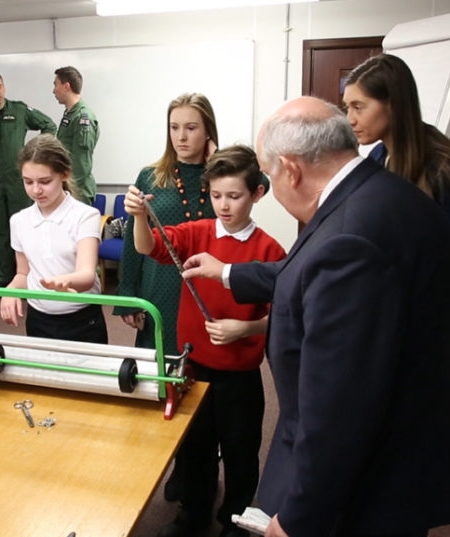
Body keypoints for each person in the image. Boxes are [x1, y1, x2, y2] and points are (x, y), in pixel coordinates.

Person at [182, 96, 450, 537]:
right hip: (405, 441)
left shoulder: (350, 239)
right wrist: (230, 272)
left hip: (366, 484)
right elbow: (310, 271)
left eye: (270, 175)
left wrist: (299, 517)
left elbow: (338, 404)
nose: (273, 186)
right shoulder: (383, 195)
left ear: (291, 170)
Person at [125, 144, 285, 537]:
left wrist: (244, 329)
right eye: (216, 196)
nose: (224, 206)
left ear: (257, 194)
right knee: (195, 449)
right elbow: (148, 247)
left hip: (240, 375)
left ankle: (235, 518)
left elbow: (285, 315)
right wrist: (141, 216)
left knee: (241, 451)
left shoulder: (269, 250)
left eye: (234, 196)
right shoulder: (197, 232)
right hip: (193, 368)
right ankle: (192, 513)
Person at [343, 53, 450, 289]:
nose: (350, 119)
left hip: (422, 315)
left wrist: (392, 282)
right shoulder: (379, 156)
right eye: (347, 108)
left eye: (358, 107)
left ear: (393, 105)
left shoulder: (446, 168)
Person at [114, 93, 220, 357]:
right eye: (174, 127)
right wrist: (128, 295)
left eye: (191, 128)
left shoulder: (224, 176)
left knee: (206, 365)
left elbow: (259, 180)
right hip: (160, 284)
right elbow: (132, 242)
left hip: (209, 285)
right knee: (161, 362)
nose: (181, 137)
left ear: (208, 131)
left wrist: (220, 159)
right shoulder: (151, 176)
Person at [0, 134, 107, 343]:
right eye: (28, 182)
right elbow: (23, 273)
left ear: (64, 174)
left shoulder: (85, 216)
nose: (36, 190)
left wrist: (62, 281)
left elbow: (86, 276)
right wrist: (10, 289)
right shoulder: (19, 221)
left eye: (45, 181)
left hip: (82, 320)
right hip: (39, 319)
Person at [0, 71, 57, 287]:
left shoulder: (18, 109)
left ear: (4, 87)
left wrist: (33, 152)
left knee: (26, 228)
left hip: (19, 179)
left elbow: (49, 125)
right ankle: (4, 279)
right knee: (0, 231)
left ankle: (28, 278)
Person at [53, 66, 100, 206]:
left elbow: (81, 164)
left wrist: (66, 191)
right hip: (68, 190)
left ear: (66, 86)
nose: (54, 90)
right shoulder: (70, 114)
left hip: (77, 193)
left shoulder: (82, 118)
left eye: (56, 85)